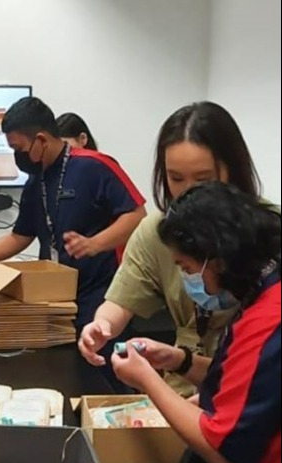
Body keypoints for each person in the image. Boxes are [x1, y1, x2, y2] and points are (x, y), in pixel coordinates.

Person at [111, 182, 280, 463]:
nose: (190, 282)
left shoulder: (270, 318)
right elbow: (246, 383)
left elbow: (223, 448)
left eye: (188, 268)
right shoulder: (264, 294)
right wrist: (180, 360)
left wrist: (149, 381)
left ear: (217, 257)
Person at [79, 102, 264, 396]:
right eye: (176, 178)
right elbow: (122, 297)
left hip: (250, 390)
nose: (188, 191)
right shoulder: (157, 232)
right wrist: (102, 325)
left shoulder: (268, 231)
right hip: (186, 382)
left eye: (203, 179)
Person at [0, 97, 145, 345]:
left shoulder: (94, 166)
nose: (17, 157)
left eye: (18, 149)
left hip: (99, 297)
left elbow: (137, 215)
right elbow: (19, 237)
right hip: (53, 296)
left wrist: (94, 244)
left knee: (99, 372)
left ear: (41, 140)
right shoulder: (36, 180)